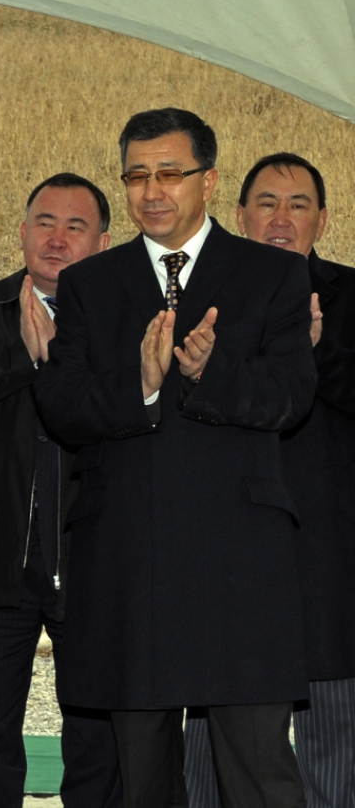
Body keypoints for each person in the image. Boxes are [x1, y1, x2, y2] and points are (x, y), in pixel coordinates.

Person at [34, 108, 315, 808]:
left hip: (238, 568)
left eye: (169, 173)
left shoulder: (271, 275)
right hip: (133, 567)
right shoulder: (92, 284)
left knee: (259, 778)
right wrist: (142, 385)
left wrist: (209, 372)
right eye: (137, 175)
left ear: (209, 181)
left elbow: (292, 397)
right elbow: (62, 407)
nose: (152, 190)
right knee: (145, 781)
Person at [183, 153, 355, 808]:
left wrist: (315, 352)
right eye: (266, 204)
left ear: (323, 220)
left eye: (299, 205)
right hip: (222, 553)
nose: (281, 220)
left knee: (332, 741)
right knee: (212, 743)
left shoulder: (349, 298)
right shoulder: (198, 302)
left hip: (329, 555)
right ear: (239, 216)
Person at [0, 173, 121, 808]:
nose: (56, 239)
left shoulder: (125, 318)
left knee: (97, 731)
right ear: (22, 232)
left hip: (92, 556)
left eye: (75, 227)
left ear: (104, 243)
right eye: (45, 224)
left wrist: (65, 369)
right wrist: (29, 364)